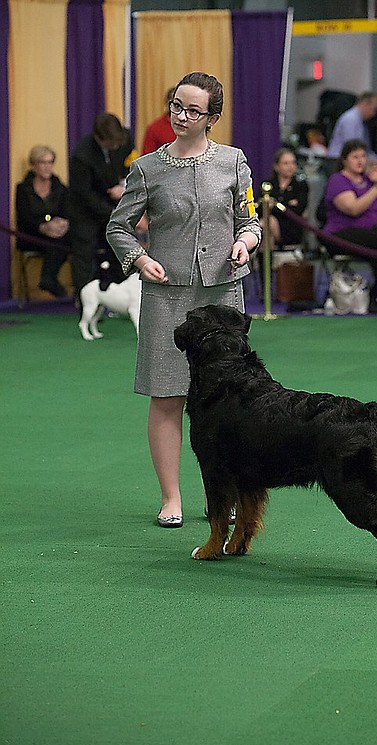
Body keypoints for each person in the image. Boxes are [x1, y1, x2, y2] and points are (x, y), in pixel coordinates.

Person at [106, 71, 261, 528]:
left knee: (231, 400)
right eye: (176, 105)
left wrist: (245, 243)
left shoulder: (234, 162)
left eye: (193, 110)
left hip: (222, 296)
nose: (181, 115)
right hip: (165, 297)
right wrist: (138, 258)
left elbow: (248, 220)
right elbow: (118, 227)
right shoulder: (146, 168)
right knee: (168, 397)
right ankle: (171, 499)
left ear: (212, 118)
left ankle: (225, 498)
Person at [322, 139, 377, 313]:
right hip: (340, 234)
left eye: (363, 156)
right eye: (355, 157)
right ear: (344, 160)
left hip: (370, 233)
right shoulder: (338, 180)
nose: (360, 161)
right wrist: (376, 189)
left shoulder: (369, 180)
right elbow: (353, 208)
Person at [69, 112, 134, 299]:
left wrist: (124, 185)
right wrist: (111, 212)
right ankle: (85, 303)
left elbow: (131, 165)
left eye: (117, 143)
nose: (115, 147)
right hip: (85, 211)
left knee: (119, 249)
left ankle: (123, 300)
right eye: (110, 144)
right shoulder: (82, 156)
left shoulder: (126, 139)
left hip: (113, 201)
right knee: (85, 258)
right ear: (98, 138)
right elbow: (84, 194)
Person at [15, 145, 70, 297]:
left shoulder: (60, 188)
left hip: (58, 235)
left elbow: (67, 213)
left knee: (65, 239)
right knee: (54, 241)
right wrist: (42, 227)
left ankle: (49, 279)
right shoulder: (23, 189)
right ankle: (49, 280)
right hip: (32, 235)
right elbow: (24, 219)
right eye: (43, 163)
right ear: (34, 165)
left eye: (50, 162)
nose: (47, 167)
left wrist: (62, 224)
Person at [259, 148, 309, 249]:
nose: (290, 167)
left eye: (293, 163)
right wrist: (287, 204)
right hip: (268, 225)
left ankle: (264, 263)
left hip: (291, 227)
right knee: (266, 226)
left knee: (268, 222)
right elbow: (259, 208)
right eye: (286, 163)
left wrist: (274, 206)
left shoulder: (300, 186)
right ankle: (264, 261)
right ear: (276, 166)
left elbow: (298, 210)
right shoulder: (268, 185)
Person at [327, 92, 377, 162]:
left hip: (347, 160)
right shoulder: (351, 119)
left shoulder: (360, 121)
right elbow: (353, 148)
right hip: (338, 161)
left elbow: (366, 149)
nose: (373, 114)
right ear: (365, 104)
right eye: (373, 109)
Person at [141, 86, 176, 155]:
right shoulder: (154, 128)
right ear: (166, 102)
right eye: (174, 103)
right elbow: (147, 158)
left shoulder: (193, 126)